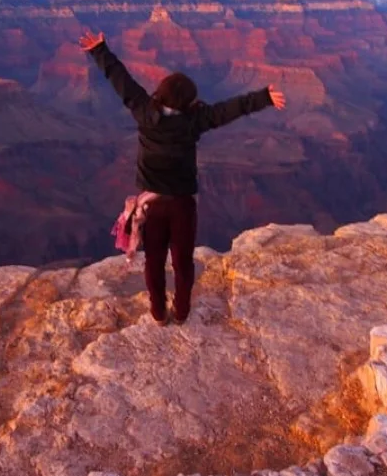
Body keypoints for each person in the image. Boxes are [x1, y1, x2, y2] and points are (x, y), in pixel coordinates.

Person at [79, 30, 286, 325]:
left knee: (153, 260)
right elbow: (227, 110)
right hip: (181, 205)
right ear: (189, 101)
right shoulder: (194, 121)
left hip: (150, 205)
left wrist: (100, 50)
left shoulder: (143, 110)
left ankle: (158, 311)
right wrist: (263, 97)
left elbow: (121, 82)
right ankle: (183, 310)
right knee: (182, 262)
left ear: (160, 92)